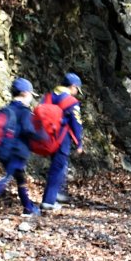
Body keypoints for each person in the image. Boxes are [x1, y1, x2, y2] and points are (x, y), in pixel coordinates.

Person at [0, 78, 45, 217]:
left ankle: (28, 207)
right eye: (31, 94)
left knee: (20, 177)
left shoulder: (6, 109)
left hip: (3, 148)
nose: (31, 98)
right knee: (7, 177)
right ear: (25, 93)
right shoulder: (24, 111)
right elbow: (28, 129)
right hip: (15, 151)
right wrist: (42, 137)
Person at [40, 72, 86, 211]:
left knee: (57, 167)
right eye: (77, 89)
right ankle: (49, 201)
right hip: (61, 139)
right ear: (73, 86)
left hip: (46, 136)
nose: (77, 92)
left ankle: (55, 195)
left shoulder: (48, 97)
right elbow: (76, 123)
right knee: (58, 169)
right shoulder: (71, 102)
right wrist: (79, 143)